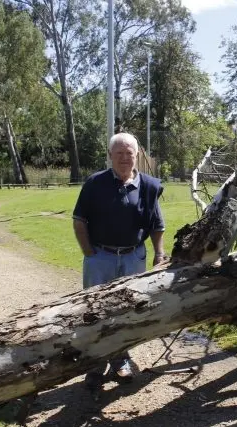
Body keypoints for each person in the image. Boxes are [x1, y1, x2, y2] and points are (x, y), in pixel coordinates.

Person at [72, 132, 166, 398]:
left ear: (137, 156)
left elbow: (157, 225)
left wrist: (159, 254)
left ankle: (121, 361)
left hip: (133, 258)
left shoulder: (149, 186)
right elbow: (79, 221)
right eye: (119, 153)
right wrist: (89, 253)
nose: (125, 158)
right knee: (94, 310)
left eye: (130, 153)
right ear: (110, 156)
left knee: (127, 311)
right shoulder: (95, 183)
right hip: (100, 258)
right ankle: (95, 364)